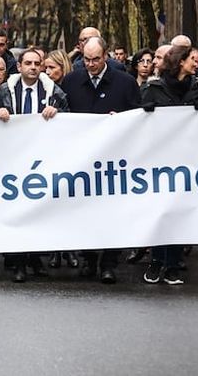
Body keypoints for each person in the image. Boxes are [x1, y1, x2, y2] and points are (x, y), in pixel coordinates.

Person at [61, 36, 140, 284]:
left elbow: (137, 116)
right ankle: (88, 258)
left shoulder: (125, 82)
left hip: (114, 161)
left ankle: (108, 262)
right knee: (82, 211)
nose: (91, 64)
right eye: (87, 59)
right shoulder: (72, 80)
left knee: (111, 212)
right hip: (81, 161)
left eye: (96, 59)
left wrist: (122, 120)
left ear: (105, 56)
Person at [0, 48, 70, 282]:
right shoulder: (5, 91)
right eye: (28, 63)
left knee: (37, 211)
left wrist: (58, 111)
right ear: (19, 66)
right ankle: (18, 263)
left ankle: (35, 258)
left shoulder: (54, 92)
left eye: (38, 63)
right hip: (12, 161)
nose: (33, 67)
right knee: (17, 212)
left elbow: (70, 117)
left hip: (41, 161)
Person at [139, 43, 198, 286]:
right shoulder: (154, 88)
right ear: (181, 62)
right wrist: (144, 111)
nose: (197, 63)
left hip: (187, 163)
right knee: (160, 212)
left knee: (179, 213)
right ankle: (156, 261)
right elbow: (138, 119)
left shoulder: (197, 88)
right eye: (193, 59)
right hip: (159, 163)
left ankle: (172, 265)